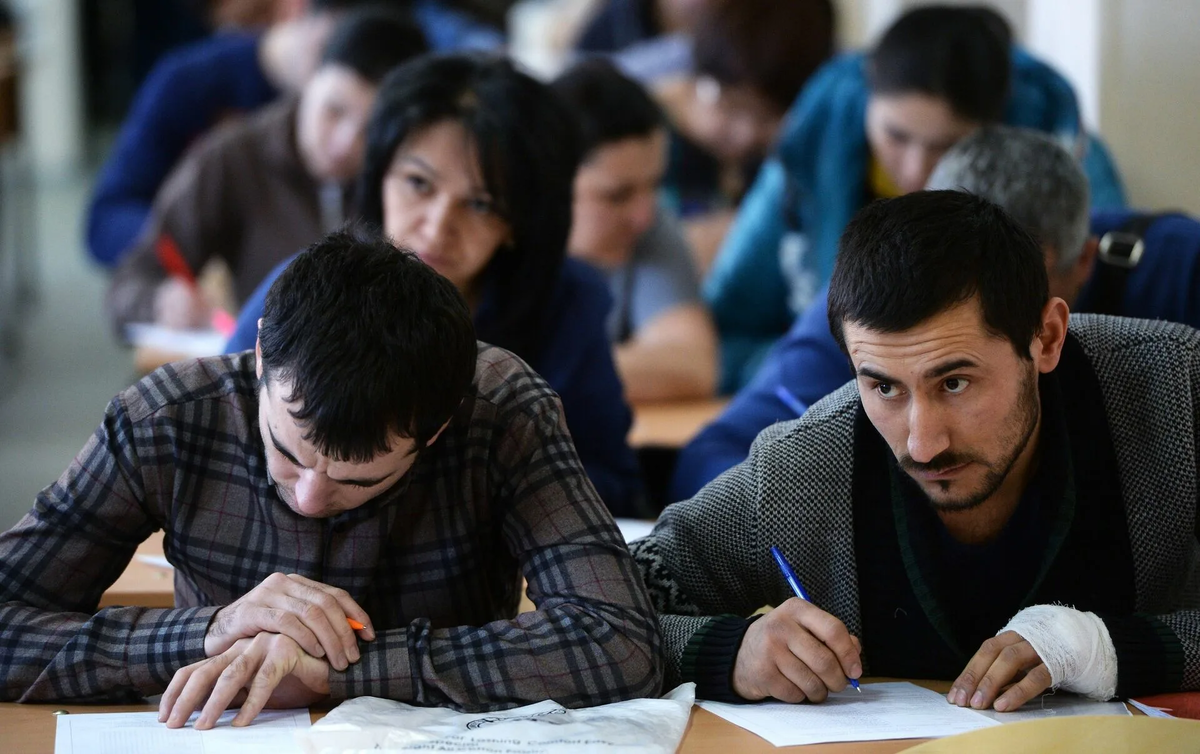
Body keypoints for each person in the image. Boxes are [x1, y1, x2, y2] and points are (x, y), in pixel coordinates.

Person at [0, 228, 662, 721]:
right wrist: (209, 630)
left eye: (360, 481)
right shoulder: (166, 417)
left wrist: (334, 674)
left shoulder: (500, 410)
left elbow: (621, 639)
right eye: (287, 456)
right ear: (261, 358)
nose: (312, 498)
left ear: (433, 433)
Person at [633, 190, 1200, 710]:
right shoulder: (800, 471)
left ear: (1046, 337)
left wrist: (1112, 649)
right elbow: (592, 613)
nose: (922, 443)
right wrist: (727, 652)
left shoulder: (1179, 390)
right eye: (883, 386)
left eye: (955, 382)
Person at [671, 125, 1200, 499]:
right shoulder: (887, 291)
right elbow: (717, 453)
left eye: (1016, 276)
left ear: (1082, 261)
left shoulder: (1180, 270)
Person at [227, 54, 645, 515]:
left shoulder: (566, 305)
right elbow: (217, 443)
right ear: (379, 174)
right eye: (418, 183)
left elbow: (610, 478)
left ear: (519, 223)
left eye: (481, 204)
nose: (438, 225)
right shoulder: (301, 289)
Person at [705, 5, 1127, 393]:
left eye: (945, 146)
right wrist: (821, 369)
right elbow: (724, 327)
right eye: (896, 136)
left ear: (996, 129)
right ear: (867, 98)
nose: (913, 169)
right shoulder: (809, 151)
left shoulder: (1064, 158)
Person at [105, 7, 427, 336]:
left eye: (371, 131)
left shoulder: (414, 176)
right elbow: (132, 279)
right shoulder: (235, 155)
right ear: (308, 79)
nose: (345, 143)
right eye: (334, 111)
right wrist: (161, 302)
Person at [86, 0, 385, 268]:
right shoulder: (188, 84)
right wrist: (183, 247)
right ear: (295, 8)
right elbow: (107, 219)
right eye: (334, 50)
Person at [550, 59, 717, 402]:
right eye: (617, 195)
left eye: (655, 185)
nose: (644, 215)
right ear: (547, 182)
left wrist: (525, 369)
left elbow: (694, 367)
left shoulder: (650, 223)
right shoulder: (489, 240)